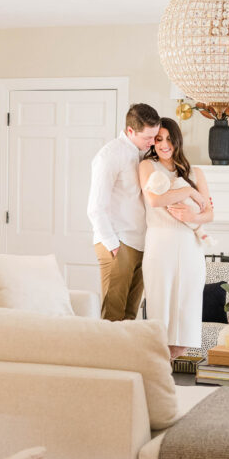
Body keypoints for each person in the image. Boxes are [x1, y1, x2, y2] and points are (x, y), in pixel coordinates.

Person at [138, 117, 214, 359]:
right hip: (161, 244)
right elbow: (155, 200)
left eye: (169, 139)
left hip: (191, 248)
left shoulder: (196, 172)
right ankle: (158, 376)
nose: (164, 145)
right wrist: (189, 191)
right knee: (161, 311)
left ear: (177, 140)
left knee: (186, 317)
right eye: (158, 139)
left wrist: (194, 214)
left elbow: (210, 213)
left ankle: (168, 375)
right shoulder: (147, 167)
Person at [87, 103, 161, 320]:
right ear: (130, 131)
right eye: (148, 137)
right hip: (117, 242)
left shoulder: (144, 155)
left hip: (140, 243)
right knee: (112, 315)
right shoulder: (110, 155)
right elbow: (95, 207)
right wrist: (113, 245)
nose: (152, 143)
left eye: (155, 136)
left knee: (130, 316)